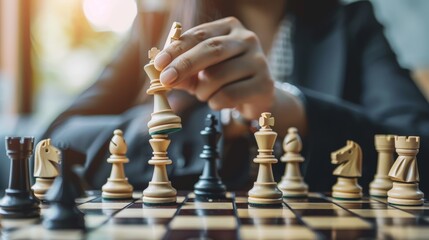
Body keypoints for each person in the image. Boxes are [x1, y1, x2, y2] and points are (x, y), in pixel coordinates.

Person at [43, 0, 429, 195]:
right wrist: (216, 126)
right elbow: (55, 142)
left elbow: (419, 146)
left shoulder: (353, 23)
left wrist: (291, 109)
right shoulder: (153, 25)